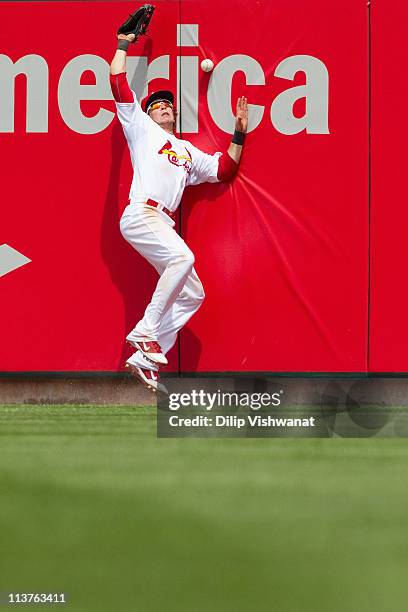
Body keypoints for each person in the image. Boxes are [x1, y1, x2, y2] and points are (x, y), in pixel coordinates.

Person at [109, 30, 248, 392]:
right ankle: (145, 331)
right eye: (158, 105)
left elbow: (223, 171)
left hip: (162, 221)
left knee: (193, 294)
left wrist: (239, 134)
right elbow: (118, 84)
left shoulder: (186, 151)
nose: (165, 107)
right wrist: (123, 45)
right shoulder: (140, 129)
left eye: (169, 104)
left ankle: (145, 357)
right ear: (149, 113)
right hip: (141, 214)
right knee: (183, 258)